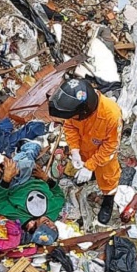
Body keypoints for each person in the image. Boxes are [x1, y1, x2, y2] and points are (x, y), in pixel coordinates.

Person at [48, 78, 121, 224]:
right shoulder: (75, 108)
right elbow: (70, 127)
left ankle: (108, 200)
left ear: (85, 111)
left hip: (103, 154)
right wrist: (74, 150)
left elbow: (111, 146)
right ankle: (90, 175)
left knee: (108, 177)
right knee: (84, 169)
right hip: (83, 147)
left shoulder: (111, 115)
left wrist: (90, 166)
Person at [0, 157, 65, 226]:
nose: (48, 225)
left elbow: (0, 203)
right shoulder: (53, 212)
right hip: (35, 177)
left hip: (15, 184)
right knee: (31, 153)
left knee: (21, 161)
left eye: (45, 229)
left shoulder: (22, 218)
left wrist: (6, 179)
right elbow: (59, 195)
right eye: (53, 228)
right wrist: (46, 178)